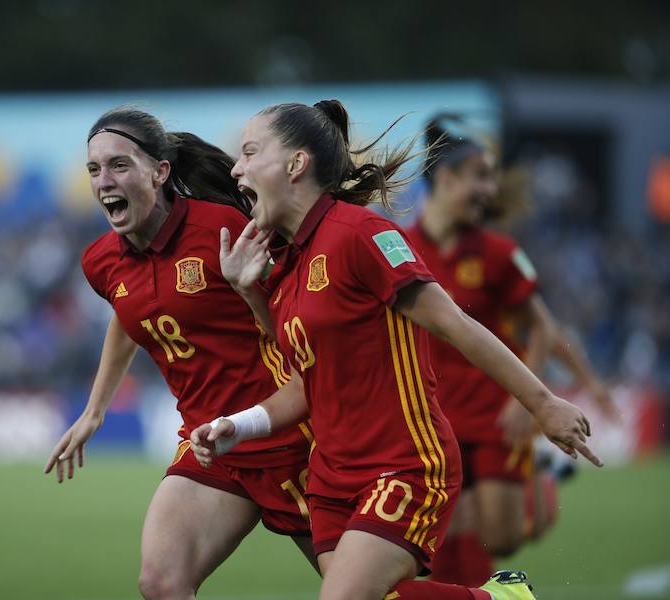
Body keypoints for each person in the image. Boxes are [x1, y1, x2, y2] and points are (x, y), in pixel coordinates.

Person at [189, 100, 600, 600]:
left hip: (405, 464)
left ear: (296, 164)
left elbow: (456, 325)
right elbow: (306, 384)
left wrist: (542, 403)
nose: (236, 168)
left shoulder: (362, 234)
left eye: (250, 152)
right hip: (330, 479)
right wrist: (241, 422)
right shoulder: (284, 264)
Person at [43, 107, 317, 600]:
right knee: (162, 583)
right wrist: (94, 411)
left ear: (160, 171)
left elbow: (297, 325)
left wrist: (253, 293)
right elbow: (129, 318)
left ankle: (495, 594)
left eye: (119, 165)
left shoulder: (225, 229)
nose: (104, 180)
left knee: (369, 591)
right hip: (209, 444)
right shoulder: (101, 261)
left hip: (287, 437)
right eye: (93, 169)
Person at [404, 118, 618, 585]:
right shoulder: (401, 248)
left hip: (494, 410)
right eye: (480, 177)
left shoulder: (500, 253)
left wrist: (533, 399)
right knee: (447, 534)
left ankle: (542, 478)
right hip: (433, 414)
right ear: (445, 181)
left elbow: (543, 327)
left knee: (500, 537)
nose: (490, 189)